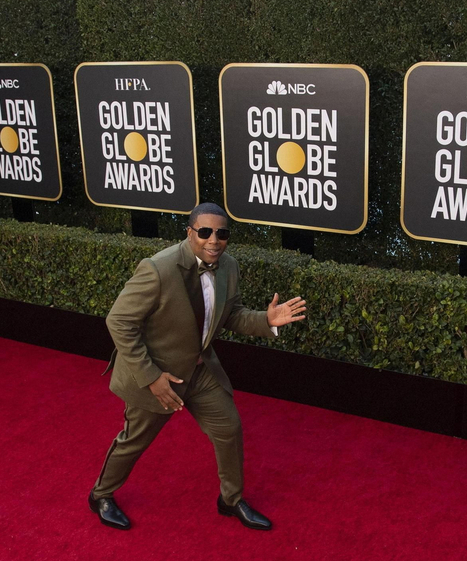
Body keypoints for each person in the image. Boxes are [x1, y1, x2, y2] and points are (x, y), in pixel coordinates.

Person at [91, 203, 307, 531]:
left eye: (222, 233)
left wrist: (266, 320)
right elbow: (119, 322)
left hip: (199, 368)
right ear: (190, 232)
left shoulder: (229, 267)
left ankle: (230, 500)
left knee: (229, 429)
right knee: (134, 440)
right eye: (204, 232)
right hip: (157, 373)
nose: (213, 240)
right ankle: (101, 494)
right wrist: (151, 377)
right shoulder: (158, 268)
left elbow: (230, 315)